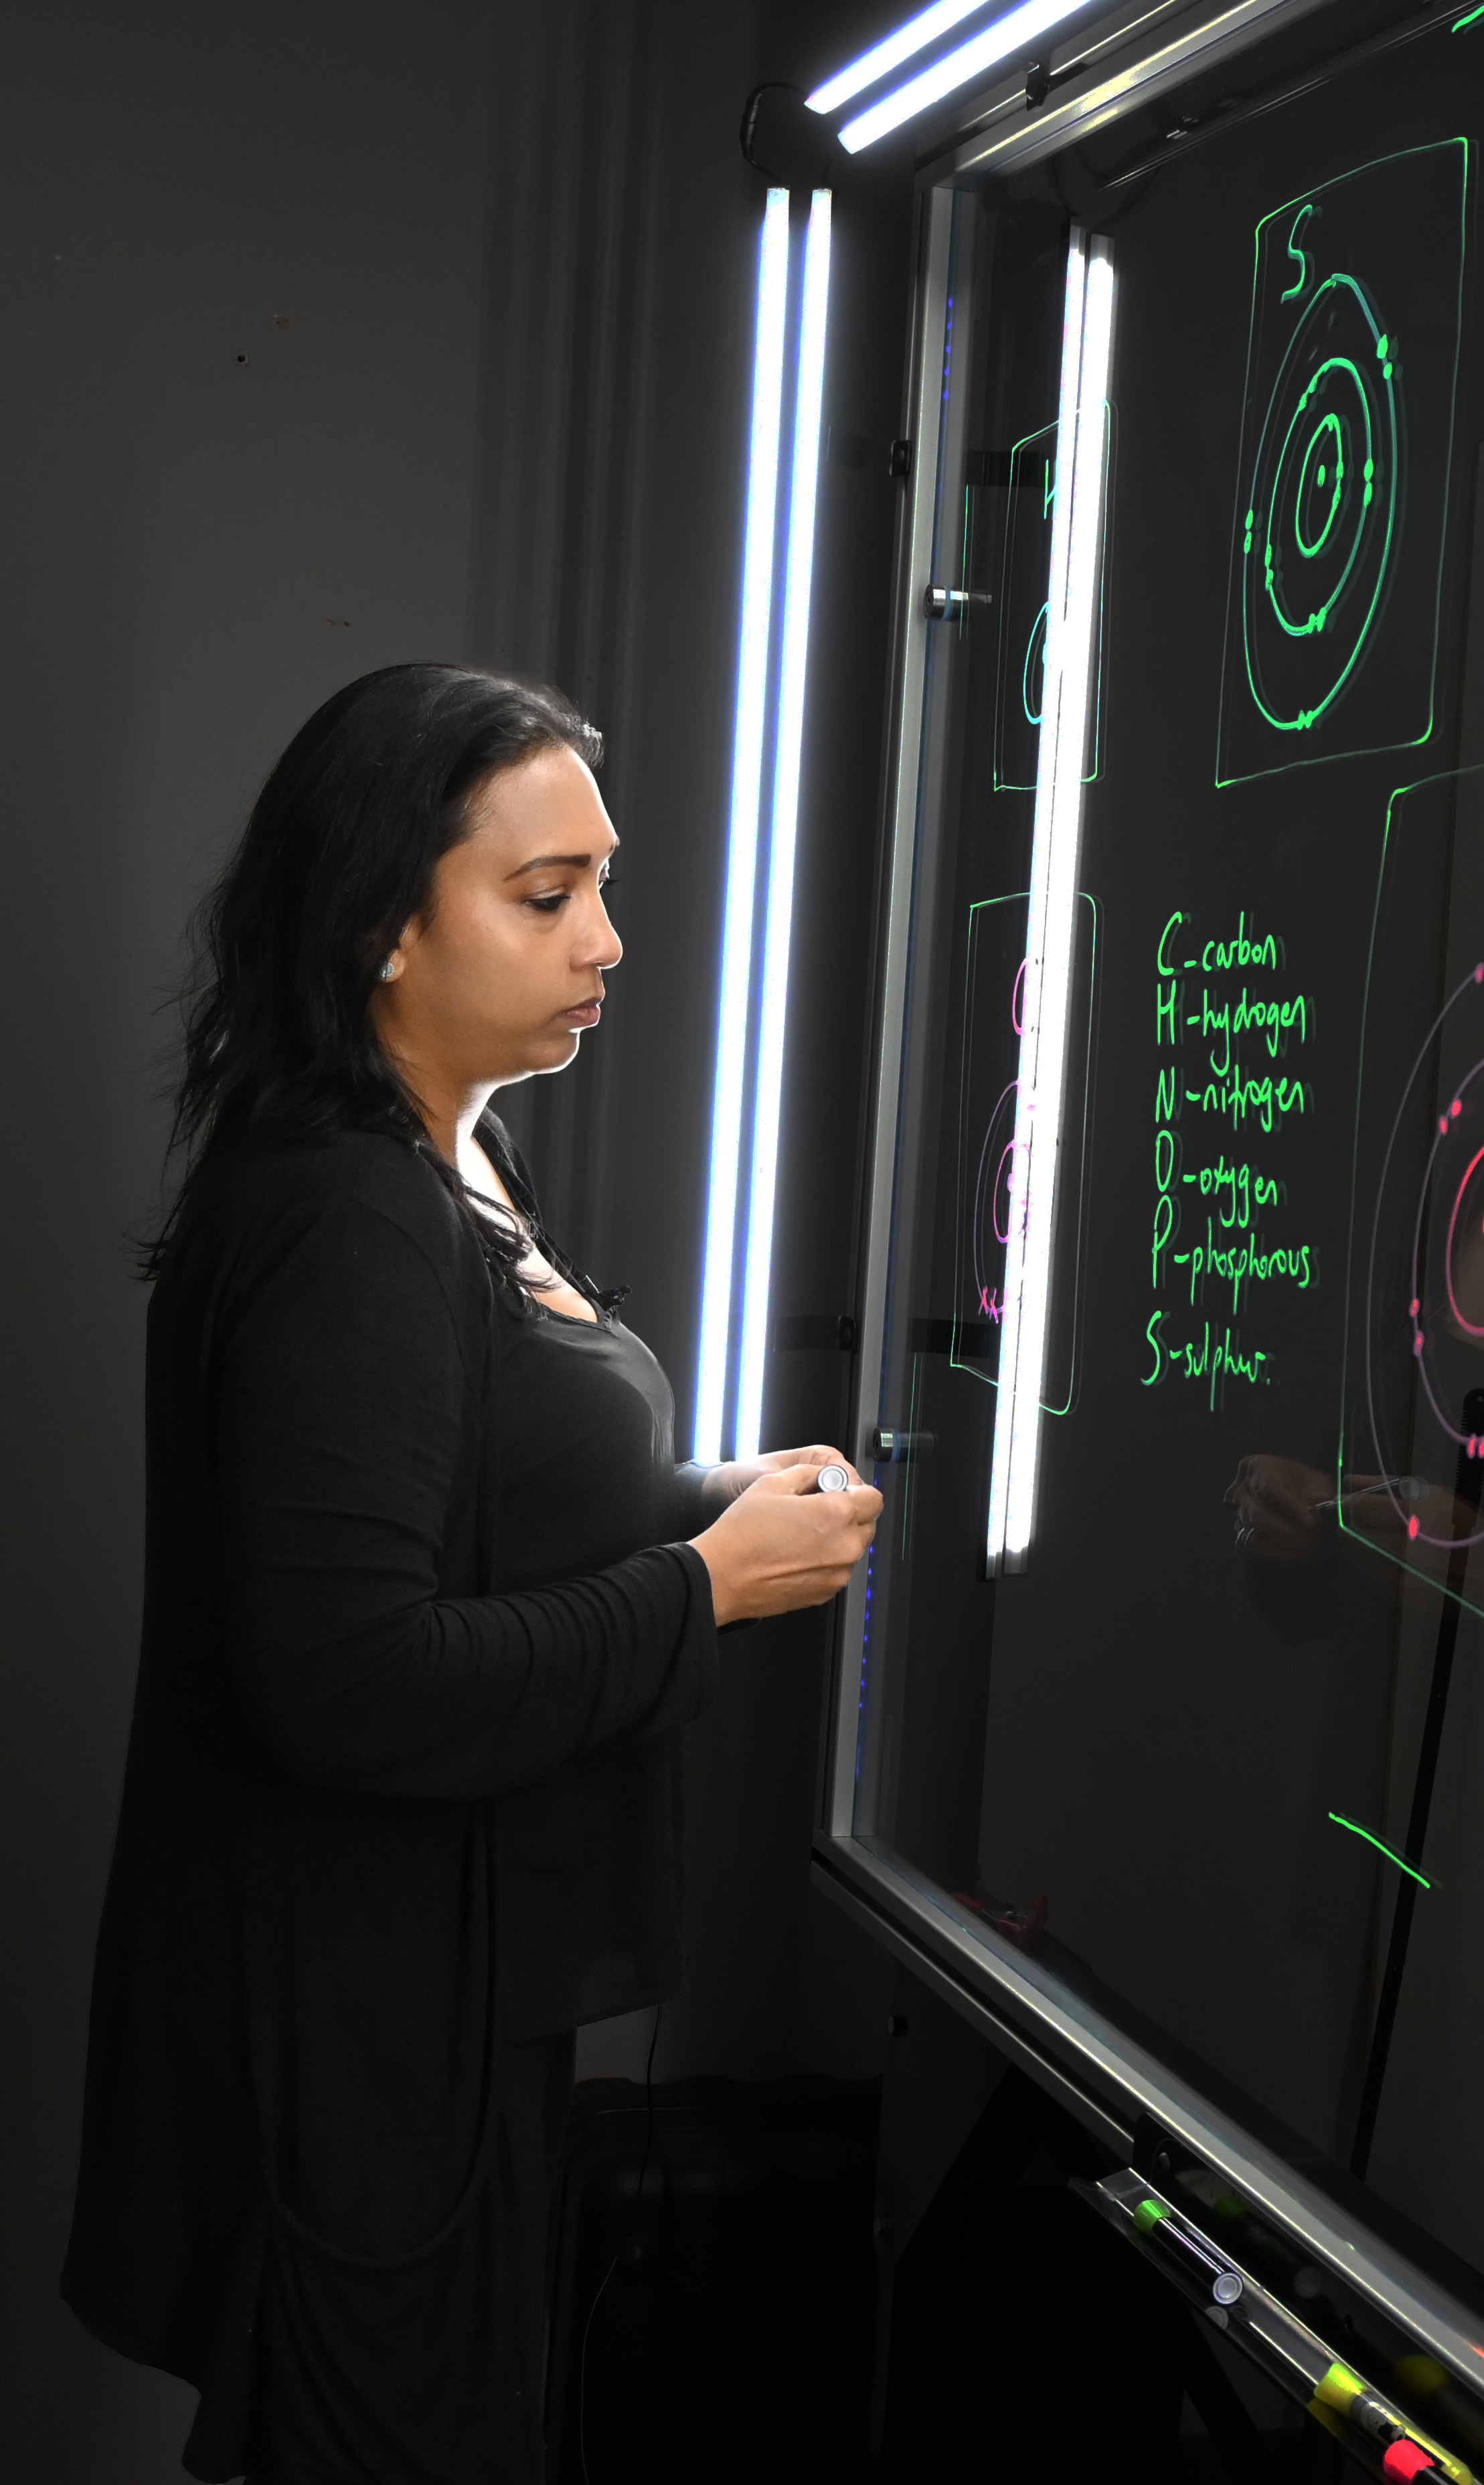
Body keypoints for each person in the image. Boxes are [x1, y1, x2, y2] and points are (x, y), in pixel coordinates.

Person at [61, 665, 882, 2483]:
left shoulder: (452, 1160)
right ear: (379, 927)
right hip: (359, 2054)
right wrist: (707, 1589)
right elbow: (349, 1679)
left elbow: (468, 1504)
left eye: (603, 881)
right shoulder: (351, 1215)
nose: (607, 938)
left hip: (434, 2019)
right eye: (544, 894)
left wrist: (695, 1503)